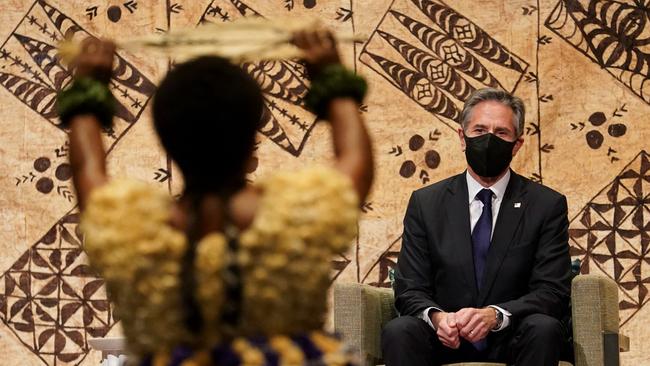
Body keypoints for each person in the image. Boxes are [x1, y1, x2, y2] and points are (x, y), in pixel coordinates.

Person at [62, 30, 373, 365]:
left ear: (166, 140)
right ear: (253, 133)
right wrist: (331, 78)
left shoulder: (130, 228)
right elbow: (356, 160)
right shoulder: (300, 213)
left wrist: (88, 86)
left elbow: (86, 168)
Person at [381, 88, 572, 366]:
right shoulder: (426, 203)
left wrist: (495, 315)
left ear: (517, 144)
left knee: (544, 328)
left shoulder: (546, 205)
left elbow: (552, 291)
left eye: (501, 133)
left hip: (512, 338)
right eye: (479, 130)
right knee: (399, 331)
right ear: (462, 137)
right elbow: (410, 287)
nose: (489, 140)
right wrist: (438, 318)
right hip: (445, 338)